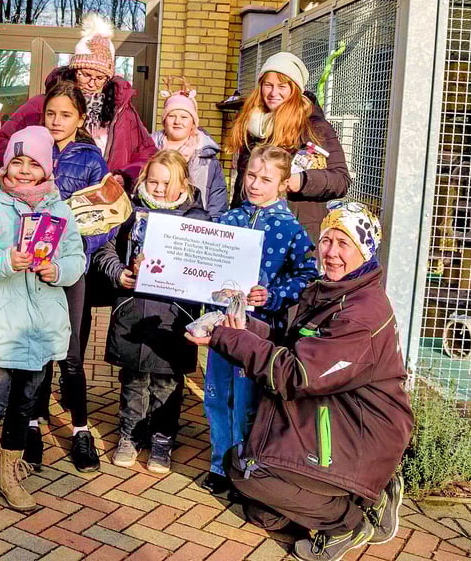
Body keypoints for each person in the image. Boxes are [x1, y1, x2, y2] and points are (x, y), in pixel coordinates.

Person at [187, 202, 412, 561]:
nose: (331, 253)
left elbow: (297, 374)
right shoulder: (335, 290)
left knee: (249, 475)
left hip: (359, 431)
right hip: (330, 414)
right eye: (327, 240)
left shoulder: (362, 313)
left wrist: (228, 339)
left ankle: (350, 521)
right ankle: (355, 496)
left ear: (364, 251)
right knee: (254, 500)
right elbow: (294, 342)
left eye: (344, 244)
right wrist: (242, 328)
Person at [0, 126, 84, 519]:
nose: (24, 170)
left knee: (24, 406)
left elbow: (77, 261)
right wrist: (6, 262)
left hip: (41, 328)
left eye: (34, 163)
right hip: (0, 327)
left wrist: (55, 270)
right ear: (6, 165)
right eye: (17, 162)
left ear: (47, 168)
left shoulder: (61, 212)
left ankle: (8, 474)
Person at [202, 145, 318, 496]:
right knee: (217, 393)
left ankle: (246, 466)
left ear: (283, 184)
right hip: (223, 325)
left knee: (248, 397)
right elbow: (206, 260)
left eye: (266, 179)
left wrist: (274, 294)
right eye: (251, 175)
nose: (255, 184)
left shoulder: (291, 229)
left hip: (260, 330)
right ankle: (220, 463)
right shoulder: (230, 219)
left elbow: (306, 275)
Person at [92, 149, 207, 475]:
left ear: (183, 182)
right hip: (134, 309)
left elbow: (204, 264)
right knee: (133, 378)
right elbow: (105, 248)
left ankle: (162, 438)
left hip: (174, 315)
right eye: (152, 180)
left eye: (166, 183)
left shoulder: (196, 219)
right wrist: (119, 273)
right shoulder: (128, 212)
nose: (157, 188)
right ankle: (130, 434)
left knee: (167, 380)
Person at [28, 81, 110, 473]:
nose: (56, 122)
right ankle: (30, 424)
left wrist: (78, 252)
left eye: (65, 115)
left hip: (72, 269)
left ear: (80, 119)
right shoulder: (32, 150)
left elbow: (108, 217)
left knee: (71, 354)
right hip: (32, 267)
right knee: (36, 350)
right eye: (51, 114)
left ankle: (80, 430)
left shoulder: (92, 160)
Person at [0, 13, 155, 191]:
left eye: (100, 77)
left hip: (101, 201)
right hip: (44, 197)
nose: (92, 82)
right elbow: (4, 140)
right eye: (85, 74)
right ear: (74, 70)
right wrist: (24, 176)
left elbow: (147, 153)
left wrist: (125, 176)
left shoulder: (123, 111)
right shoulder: (41, 105)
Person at [226, 52, 350, 242]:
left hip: (296, 233)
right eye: (268, 85)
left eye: (282, 86)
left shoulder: (314, 126)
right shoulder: (251, 125)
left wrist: (300, 181)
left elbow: (340, 180)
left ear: (295, 89)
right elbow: (241, 185)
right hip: (251, 229)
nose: (273, 93)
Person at [152, 78, 228, 220]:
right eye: (171, 116)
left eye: (184, 117)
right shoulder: (149, 151)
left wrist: (208, 226)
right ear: (164, 120)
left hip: (195, 230)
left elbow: (218, 201)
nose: (177, 122)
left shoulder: (208, 160)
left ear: (193, 122)